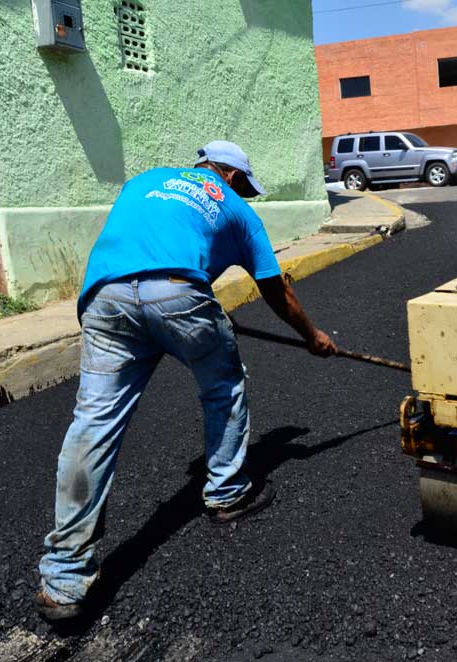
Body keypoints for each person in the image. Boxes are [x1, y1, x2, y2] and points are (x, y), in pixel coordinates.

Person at [34, 141, 337, 621]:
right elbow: (276, 289)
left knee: (93, 424)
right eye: (247, 187)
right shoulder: (236, 208)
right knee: (225, 386)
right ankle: (227, 492)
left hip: (104, 298)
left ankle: (65, 579)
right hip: (179, 294)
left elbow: (141, 250)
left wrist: (187, 310)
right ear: (234, 178)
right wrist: (313, 336)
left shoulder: (144, 182)